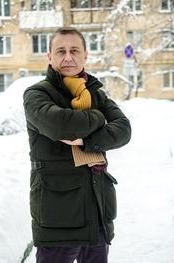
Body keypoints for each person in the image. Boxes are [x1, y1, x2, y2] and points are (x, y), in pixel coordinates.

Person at [23, 27, 131, 263]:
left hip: (96, 212)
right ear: (50, 57)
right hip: (58, 217)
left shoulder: (95, 93)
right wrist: (98, 119)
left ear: (85, 56)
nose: (68, 57)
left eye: (74, 50)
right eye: (61, 51)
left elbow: (123, 129)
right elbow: (60, 126)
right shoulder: (37, 94)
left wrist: (87, 139)